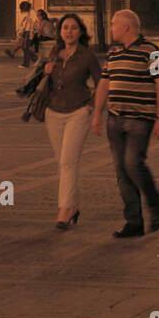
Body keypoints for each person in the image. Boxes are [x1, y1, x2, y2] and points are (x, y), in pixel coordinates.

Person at [92, 8, 159, 239]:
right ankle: (133, 221)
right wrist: (97, 113)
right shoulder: (113, 52)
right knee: (121, 171)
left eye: (114, 23)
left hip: (139, 119)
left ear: (126, 27)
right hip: (115, 119)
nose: (111, 27)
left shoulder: (152, 51)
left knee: (133, 163)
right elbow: (105, 83)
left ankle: (154, 203)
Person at [42, 13, 102, 230]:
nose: (69, 31)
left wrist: (91, 107)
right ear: (60, 32)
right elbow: (42, 81)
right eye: (65, 28)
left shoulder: (87, 56)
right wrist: (45, 70)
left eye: (73, 28)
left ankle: (64, 209)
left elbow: (102, 83)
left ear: (80, 31)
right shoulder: (54, 53)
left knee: (68, 161)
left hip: (78, 111)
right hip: (53, 112)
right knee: (63, 163)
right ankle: (74, 206)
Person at [16, 10, 57, 95]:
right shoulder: (47, 21)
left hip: (47, 38)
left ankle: (27, 87)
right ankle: (27, 86)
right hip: (49, 42)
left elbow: (40, 32)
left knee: (34, 37)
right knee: (40, 69)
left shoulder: (42, 22)